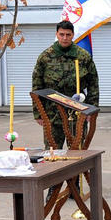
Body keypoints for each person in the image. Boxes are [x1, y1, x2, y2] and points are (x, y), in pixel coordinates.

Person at [31, 20, 99, 149]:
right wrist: (38, 113)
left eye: (68, 35)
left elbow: (93, 84)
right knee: (52, 151)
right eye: (62, 34)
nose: (65, 38)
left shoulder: (83, 56)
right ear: (57, 34)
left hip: (77, 112)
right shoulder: (45, 57)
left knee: (77, 151)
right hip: (52, 113)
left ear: (73, 35)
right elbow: (37, 86)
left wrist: (92, 110)